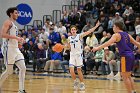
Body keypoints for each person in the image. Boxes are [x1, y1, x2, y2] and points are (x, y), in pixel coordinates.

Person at [92, 21, 139, 93]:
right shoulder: (127, 34)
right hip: (131, 55)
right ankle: (133, 91)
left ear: (117, 27)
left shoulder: (116, 35)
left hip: (125, 57)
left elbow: (108, 42)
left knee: (124, 77)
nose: (113, 28)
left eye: (113, 26)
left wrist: (97, 48)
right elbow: (136, 43)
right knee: (128, 76)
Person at [0, 7, 27, 93]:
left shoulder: (14, 25)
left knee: (23, 68)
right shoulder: (7, 22)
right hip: (9, 49)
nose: (17, 14)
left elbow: (12, 38)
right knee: (9, 71)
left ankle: (21, 90)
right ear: (11, 14)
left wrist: (19, 42)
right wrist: (16, 38)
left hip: (15, 49)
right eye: (16, 13)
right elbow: (2, 35)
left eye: (17, 13)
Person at [67, 21, 100, 90]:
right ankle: (75, 81)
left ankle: (82, 83)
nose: (73, 31)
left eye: (74, 29)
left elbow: (89, 31)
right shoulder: (69, 38)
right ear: (70, 31)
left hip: (78, 55)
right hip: (72, 55)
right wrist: (63, 47)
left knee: (79, 70)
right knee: (71, 70)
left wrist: (96, 26)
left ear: (76, 30)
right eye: (72, 30)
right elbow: (68, 47)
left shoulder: (79, 36)